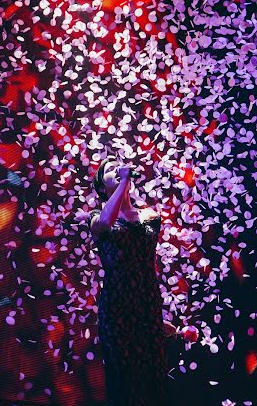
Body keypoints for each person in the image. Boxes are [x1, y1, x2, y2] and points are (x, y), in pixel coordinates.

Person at [87, 155, 178, 406]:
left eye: (120, 167)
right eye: (111, 170)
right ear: (101, 187)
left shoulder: (150, 217)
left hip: (147, 304)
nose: (118, 169)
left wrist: (157, 315)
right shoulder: (96, 217)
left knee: (153, 376)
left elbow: (147, 260)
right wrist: (124, 180)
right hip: (117, 308)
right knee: (124, 377)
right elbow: (106, 222)